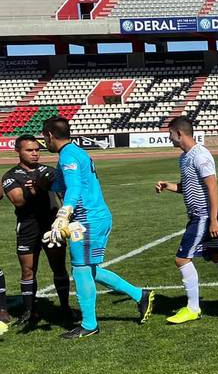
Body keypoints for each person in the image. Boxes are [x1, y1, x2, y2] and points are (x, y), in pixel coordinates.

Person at [41, 116, 154, 339]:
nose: (44, 142)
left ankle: (90, 324)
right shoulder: (74, 152)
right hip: (91, 217)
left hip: (87, 220)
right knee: (89, 269)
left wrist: (65, 213)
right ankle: (140, 295)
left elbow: (73, 188)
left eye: (45, 138)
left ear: (50, 135)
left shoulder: (68, 155)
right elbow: (61, 186)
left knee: (80, 269)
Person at [154, 116, 218, 324]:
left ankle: (193, 308)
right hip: (200, 215)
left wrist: (213, 219)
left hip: (204, 215)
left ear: (179, 134)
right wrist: (169, 186)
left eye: (170, 134)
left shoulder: (200, 155)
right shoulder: (184, 157)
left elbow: (212, 187)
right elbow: (188, 188)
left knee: (182, 259)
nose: (169, 138)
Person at [1, 135, 71, 329]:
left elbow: (64, 195)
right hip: (28, 227)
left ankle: (65, 307)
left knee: (58, 267)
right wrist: (34, 190)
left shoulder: (49, 172)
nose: (34, 153)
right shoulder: (11, 176)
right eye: (29, 150)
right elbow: (18, 201)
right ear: (18, 151)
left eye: (37, 150)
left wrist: (66, 215)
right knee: (27, 270)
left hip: (51, 225)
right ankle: (30, 311)